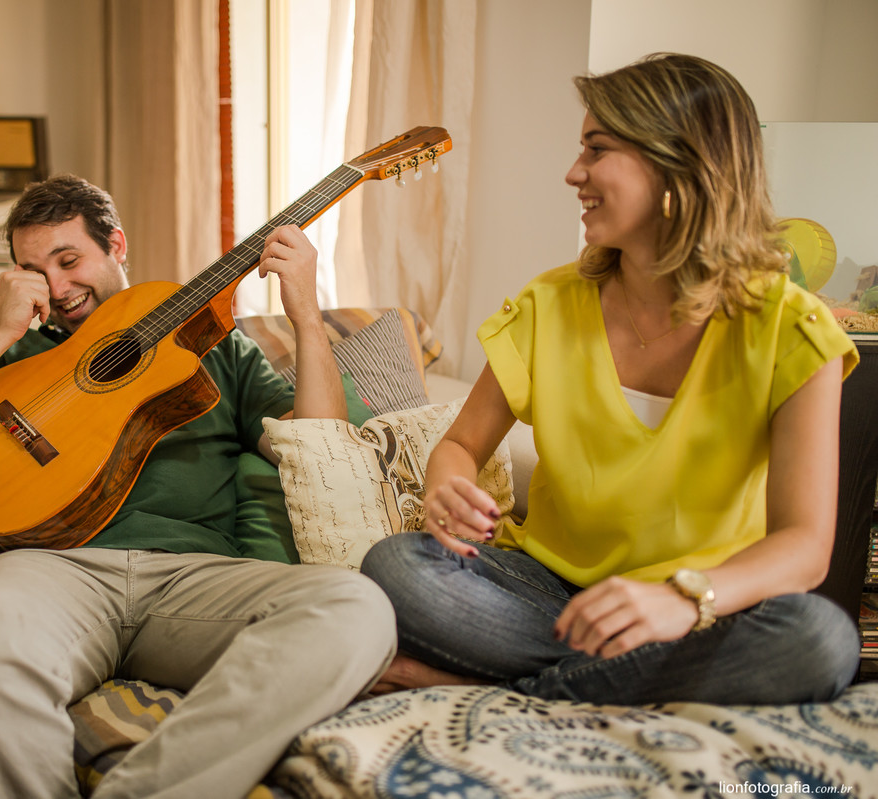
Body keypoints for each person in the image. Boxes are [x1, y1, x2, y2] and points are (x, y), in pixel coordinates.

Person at [0, 175, 396, 798]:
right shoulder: (16, 356)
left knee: (357, 609)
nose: (57, 289)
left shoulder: (218, 352)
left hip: (195, 582)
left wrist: (305, 313)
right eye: (34, 271)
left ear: (115, 245)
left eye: (69, 260)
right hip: (50, 571)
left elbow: (322, 448)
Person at [361, 53, 860, 706]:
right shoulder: (548, 305)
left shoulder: (791, 328)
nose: (575, 173)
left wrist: (682, 600)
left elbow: (804, 546)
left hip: (697, 606)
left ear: (679, 163)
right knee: (395, 567)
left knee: (819, 638)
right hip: (544, 591)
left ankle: (516, 687)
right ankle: (609, 682)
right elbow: (460, 447)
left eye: (597, 149)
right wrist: (445, 490)